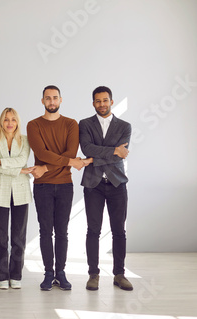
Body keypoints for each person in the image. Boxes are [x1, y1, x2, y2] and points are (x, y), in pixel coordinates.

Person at [27, 85, 85, 291]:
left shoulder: (71, 124)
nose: (51, 101)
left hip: (64, 185)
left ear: (61, 100)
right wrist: (68, 162)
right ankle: (48, 273)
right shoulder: (33, 125)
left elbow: (71, 152)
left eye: (55, 98)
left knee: (62, 232)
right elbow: (42, 153)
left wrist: (46, 168)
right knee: (45, 231)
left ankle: (61, 272)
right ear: (42, 101)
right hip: (42, 186)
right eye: (48, 98)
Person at [79, 86, 133, 291]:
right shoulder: (84, 124)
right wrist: (112, 152)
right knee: (93, 230)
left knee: (119, 231)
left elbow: (122, 153)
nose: (102, 104)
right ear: (93, 103)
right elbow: (86, 148)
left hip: (117, 183)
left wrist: (95, 158)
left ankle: (119, 274)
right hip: (93, 184)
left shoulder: (125, 126)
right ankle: (93, 274)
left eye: (105, 100)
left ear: (112, 101)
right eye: (98, 101)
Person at [0, 108, 33, 290]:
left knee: (18, 236)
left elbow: (21, 160)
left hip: (21, 191)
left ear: (17, 122)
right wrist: (20, 171)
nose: (10, 123)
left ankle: (16, 275)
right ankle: (2, 276)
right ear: (1, 122)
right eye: (6, 119)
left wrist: (1, 162)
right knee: (1, 237)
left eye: (13, 119)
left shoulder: (25, 140)